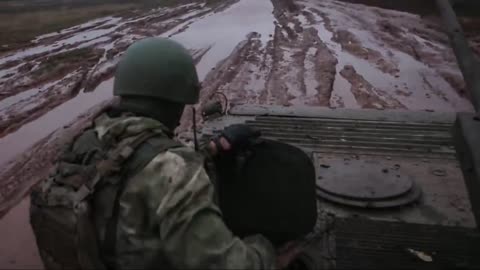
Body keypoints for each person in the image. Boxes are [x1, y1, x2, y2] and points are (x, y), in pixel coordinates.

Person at [30, 37, 299, 270]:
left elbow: (128, 167)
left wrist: (211, 150)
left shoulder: (84, 143)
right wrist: (264, 249)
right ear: (175, 103)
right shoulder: (174, 169)